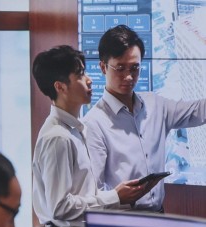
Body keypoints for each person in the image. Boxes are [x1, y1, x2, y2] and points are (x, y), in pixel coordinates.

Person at [31, 44, 151, 227]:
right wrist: (113, 197)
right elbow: (60, 208)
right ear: (60, 86)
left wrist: (120, 197)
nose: (89, 80)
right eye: (81, 74)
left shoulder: (73, 130)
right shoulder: (58, 138)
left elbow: (78, 196)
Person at [84, 24, 206, 213]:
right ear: (103, 67)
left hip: (159, 214)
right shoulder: (94, 123)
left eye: (135, 68)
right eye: (120, 68)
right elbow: (92, 192)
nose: (128, 76)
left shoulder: (155, 105)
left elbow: (197, 112)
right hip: (120, 222)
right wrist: (117, 197)